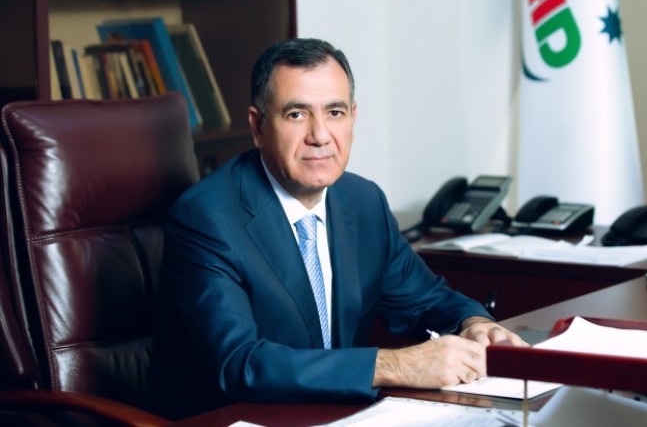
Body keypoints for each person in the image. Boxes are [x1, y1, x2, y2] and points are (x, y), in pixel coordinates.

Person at [147, 38, 527, 419]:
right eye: (297, 114)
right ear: (258, 126)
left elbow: (426, 299)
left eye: (335, 112)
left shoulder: (363, 202)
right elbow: (240, 363)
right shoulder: (207, 218)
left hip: (340, 414)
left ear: (352, 118)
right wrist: (396, 365)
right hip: (237, 419)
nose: (320, 135)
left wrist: (474, 323)